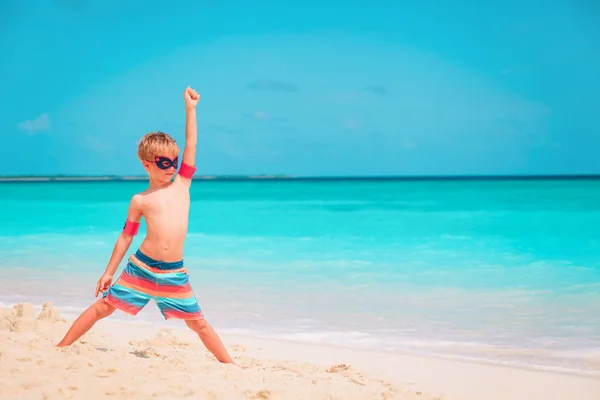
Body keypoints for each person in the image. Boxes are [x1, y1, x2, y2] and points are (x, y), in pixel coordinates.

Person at [56, 86, 235, 365]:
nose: (171, 167)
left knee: (198, 322)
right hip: (140, 268)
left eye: (173, 162)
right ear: (146, 164)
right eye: (164, 162)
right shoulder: (139, 200)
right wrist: (108, 272)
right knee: (103, 307)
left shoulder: (182, 185)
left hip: (174, 273)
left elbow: (192, 145)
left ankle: (231, 365)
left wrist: (190, 109)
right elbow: (127, 236)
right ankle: (61, 346)